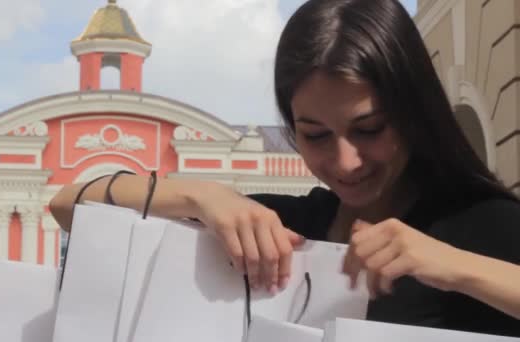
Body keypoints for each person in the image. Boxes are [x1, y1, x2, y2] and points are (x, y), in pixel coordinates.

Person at [49, 0, 520, 337]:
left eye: (369, 128)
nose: (345, 161)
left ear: (413, 109)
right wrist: (201, 196)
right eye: (315, 135)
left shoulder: (483, 223)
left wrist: (456, 267)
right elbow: (68, 207)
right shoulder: (282, 229)